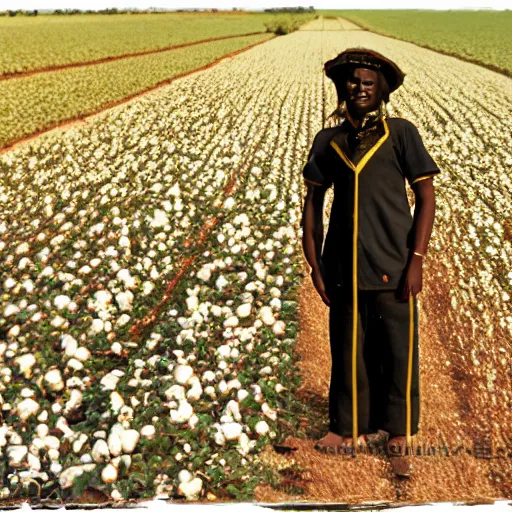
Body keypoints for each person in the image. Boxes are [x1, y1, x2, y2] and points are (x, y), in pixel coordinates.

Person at [300, 47, 441, 457]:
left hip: (393, 263)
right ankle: (347, 427)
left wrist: (416, 260)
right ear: (342, 88)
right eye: (352, 81)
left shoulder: (400, 133)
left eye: (368, 82)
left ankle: (398, 429)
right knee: (347, 348)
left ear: (382, 90)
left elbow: (426, 197)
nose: (359, 87)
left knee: (397, 348)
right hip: (343, 266)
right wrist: (315, 263)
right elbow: (312, 206)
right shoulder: (328, 141)